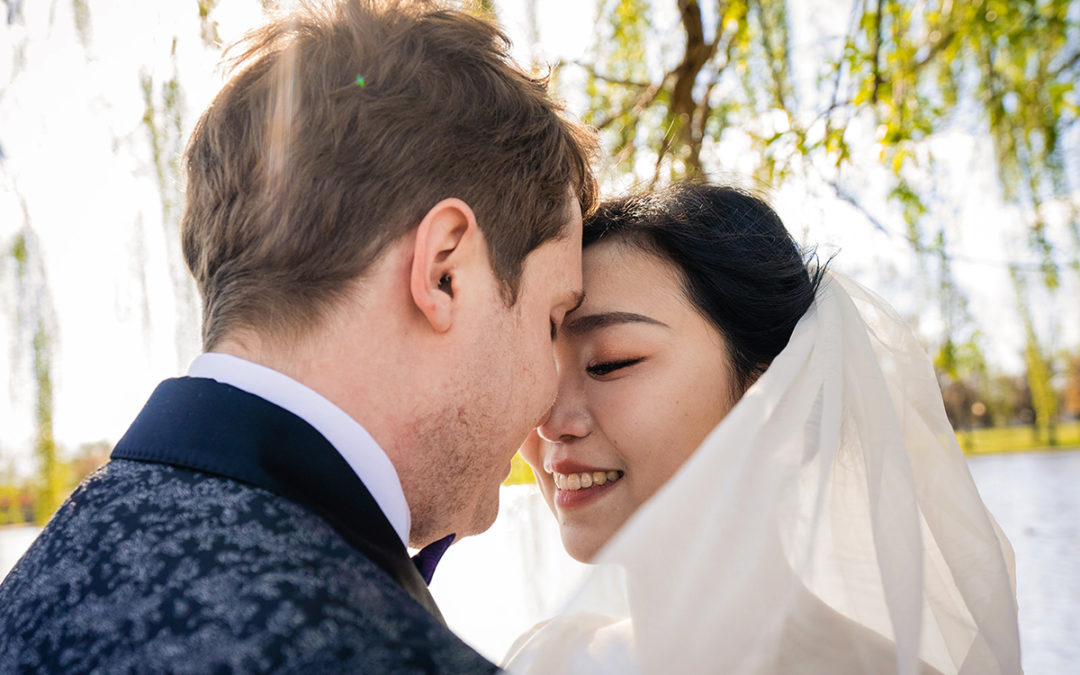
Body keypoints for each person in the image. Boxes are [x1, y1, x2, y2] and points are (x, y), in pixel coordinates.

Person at [0, 0, 595, 671]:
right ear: (445, 270)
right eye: (551, 319)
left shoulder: (37, 584)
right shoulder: (378, 653)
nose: (550, 394)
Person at [505, 183, 1022, 674]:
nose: (549, 423)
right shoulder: (542, 660)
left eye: (609, 363)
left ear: (774, 392)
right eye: (539, 370)